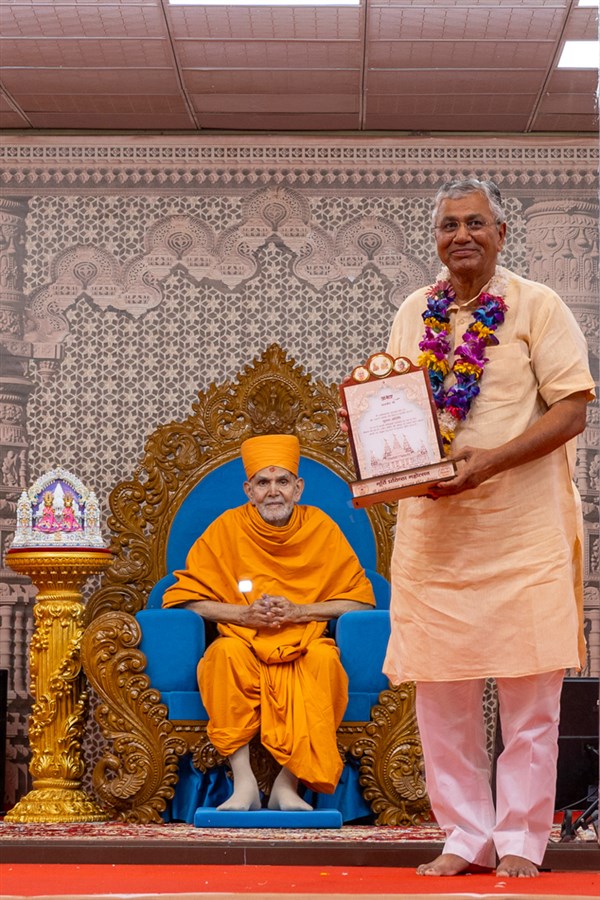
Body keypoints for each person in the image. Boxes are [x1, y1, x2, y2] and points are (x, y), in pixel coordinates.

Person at [375, 178, 594, 878]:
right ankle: (464, 836)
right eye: (447, 225)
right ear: (434, 238)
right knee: (442, 692)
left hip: (522, 530)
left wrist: (487, 465)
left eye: (475, 222)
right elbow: (395, 413)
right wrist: (387, 476)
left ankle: (524, 841)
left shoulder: (539, 305)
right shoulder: (414, 311)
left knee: (531, 698)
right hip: (436, 534)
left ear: (502, 233)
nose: (460, 235)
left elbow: (572, 411)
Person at [162, 434, 375, 812]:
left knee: (325, 663)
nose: (273, 491)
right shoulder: (226, 529)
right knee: (222, 655)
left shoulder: (320, 528)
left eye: (282, 482)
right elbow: (184, 598)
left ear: (298, 487)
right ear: (248, 489)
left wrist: (299, 611)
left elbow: (359, 599)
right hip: (244, 641)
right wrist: (241, 615)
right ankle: (244, 783)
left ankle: (286, 783)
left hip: (304, 641)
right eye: (263, 482)